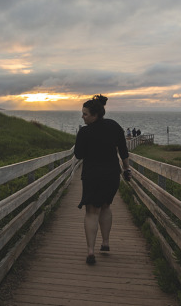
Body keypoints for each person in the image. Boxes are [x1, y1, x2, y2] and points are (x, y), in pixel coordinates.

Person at [74, 94, 131, 265]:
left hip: (92, 176)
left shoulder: (84, 132)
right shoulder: (114, 126)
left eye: (85, 114)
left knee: (92, 212)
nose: (82, 117)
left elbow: (78, 155)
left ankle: (91, 251)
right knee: (106, 206)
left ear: (94, 115)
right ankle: (105, 243)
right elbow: (123, 151)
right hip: (112, 175)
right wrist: (126, 169)